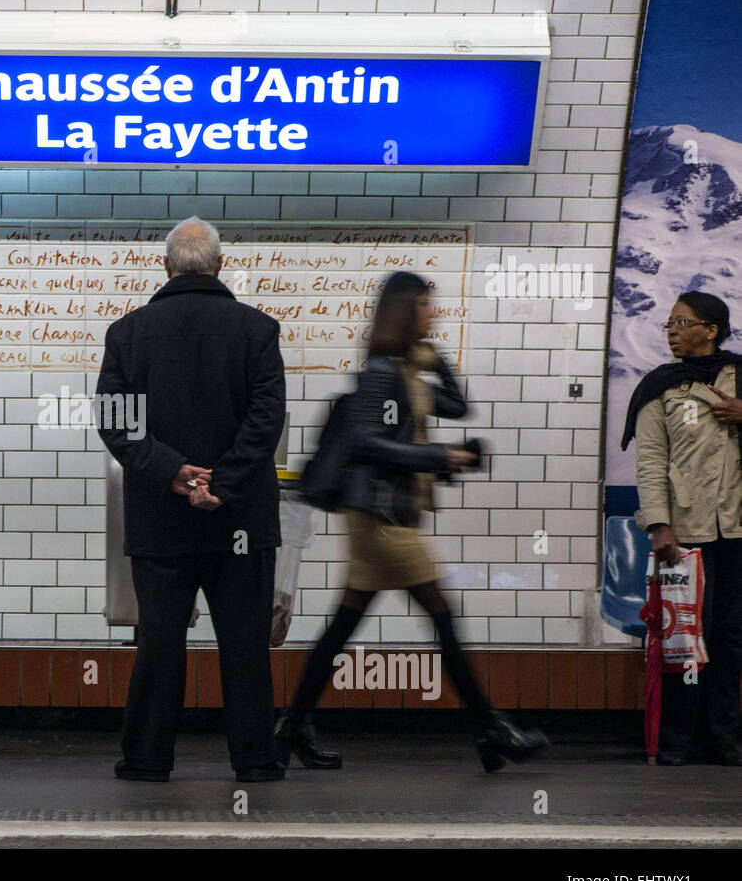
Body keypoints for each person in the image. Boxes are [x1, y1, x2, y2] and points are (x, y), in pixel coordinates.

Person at [280, 272, 547, 773]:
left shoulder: (405, 370)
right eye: (425, 305)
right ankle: (491, 729)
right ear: (404, 310)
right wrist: (437, 456)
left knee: (345, 624)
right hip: (382, 520)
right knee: (443, 614)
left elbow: (459, 404)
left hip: (381, 516)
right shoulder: (381, 373)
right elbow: (364, 441)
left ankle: (293, 723)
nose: (434, 313)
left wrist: (433, 355)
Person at [95, 216, 286, 782]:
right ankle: (254, 759)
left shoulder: (127, 334)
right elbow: (265, 420)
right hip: (241, 521)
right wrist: (220, 484)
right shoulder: (259, 330)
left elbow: (114, 423)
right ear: (221, 266)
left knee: (159, 642)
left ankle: (148, 758)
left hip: (161, 520)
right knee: (245, 644)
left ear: (166, 266)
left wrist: (175, 473)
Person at [623, 290, 742, 766]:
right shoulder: (661, 386)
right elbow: (651, 461)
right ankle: (679, 738)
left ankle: (726, 738)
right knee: (686, 637)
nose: (671, 331)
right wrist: (658, 525)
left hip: (736, 529)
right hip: (685, 534)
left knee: (731, 635)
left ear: (710, 330)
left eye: (681, 323)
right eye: (668, 325)